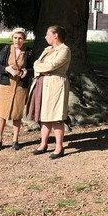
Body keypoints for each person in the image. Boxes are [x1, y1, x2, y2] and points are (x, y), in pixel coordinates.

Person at [27, 25, 71, 159]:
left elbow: (51, 66)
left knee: (56, 117)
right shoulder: (47, 50)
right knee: (44, 115)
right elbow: (35, 64)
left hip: (56, 85)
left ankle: (59, 147)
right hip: (43, 83)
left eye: (48, 34)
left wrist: (40, 66)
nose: (45, 37)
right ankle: (43, 144)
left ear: (55, 35)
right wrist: (40, 67)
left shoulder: (64, 50)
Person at [0, 27, 35, 151]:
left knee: (17, 113)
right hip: (5, 85)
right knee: (1, 113)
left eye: (20, 38)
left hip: (20, 86)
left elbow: (35, 69)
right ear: (12, 38)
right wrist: (6, 69)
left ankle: (15, 140)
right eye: (15, 38)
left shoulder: (29, 52)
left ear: (24, 39)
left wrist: (26, 71)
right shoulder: (6, 49)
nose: (17, 40)